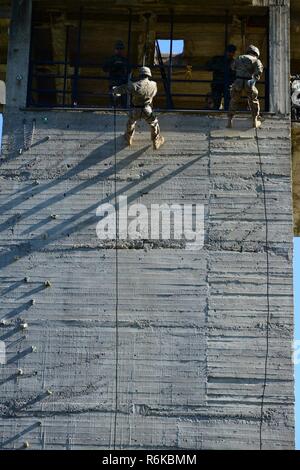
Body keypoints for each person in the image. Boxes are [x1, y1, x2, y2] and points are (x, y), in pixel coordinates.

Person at [112, 66, 165, 151]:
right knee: (154, 123)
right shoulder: (154, 84)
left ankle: (128, 138)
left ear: (140, 74)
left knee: (131, 122)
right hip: (147, 109)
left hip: (136, 109)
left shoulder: (135, 85)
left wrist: (115, 90)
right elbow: (153, 94)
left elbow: (123, 89)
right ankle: (156, 140)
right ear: (149, 74)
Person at [227, 44, 264, 129]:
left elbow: (233, 67)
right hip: (249, 82)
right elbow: (259, 71)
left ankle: (229, 121)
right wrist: (254, 78)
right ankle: (254, 121)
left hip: (238, 81)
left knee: (234, 100)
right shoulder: (256, 60)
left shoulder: (239, 57)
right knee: (253, 100)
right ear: (256, 53)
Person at [206, 44, 237, 110]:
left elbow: (235, 74)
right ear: (226, 52)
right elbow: (208, 67)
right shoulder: (218, 59)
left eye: (232, 52)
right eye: (229, 52)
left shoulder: (233, 62)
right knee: (217, 102)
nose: (231, 54)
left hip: (226, 84)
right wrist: (220, 68)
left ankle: (223, 115)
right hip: (218, 84)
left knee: (227, 103)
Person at [103, 40, 129, 108]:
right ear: (115, 49)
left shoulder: (125, 60)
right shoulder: (111, 59)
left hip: (122, 82)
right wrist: (113, 67)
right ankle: (113, 107)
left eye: (121, 49)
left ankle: (122, 109)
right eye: (118, 48)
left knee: (123, 98)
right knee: (113, 98)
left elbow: (129, 70)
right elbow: (104, 69)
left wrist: (123, 68)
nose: (119, 50)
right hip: (113, 81)